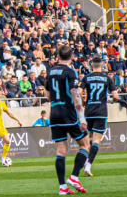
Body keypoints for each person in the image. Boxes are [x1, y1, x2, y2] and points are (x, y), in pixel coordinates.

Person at [48, 45, 90, 195]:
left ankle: (62, 187)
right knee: (85, 144)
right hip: (68, 114)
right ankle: (73, 177)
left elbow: (48, 96)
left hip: (54, 113)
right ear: (72, 57)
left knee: (61, 151)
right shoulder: (71, 72)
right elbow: (75, 95)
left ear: (58, 55)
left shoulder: (51, 71)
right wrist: (82, 118)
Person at [80, 55, 118, 177]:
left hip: (89, 111)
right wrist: (111, 101)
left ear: (91, 65)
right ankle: (88, 165)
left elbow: (77, 93)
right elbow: (116, 97)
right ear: (102, 65)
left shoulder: (86, 77)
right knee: (96, 140)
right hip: (101, 112)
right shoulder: (107, 78)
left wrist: (82, 102)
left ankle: (85, 161)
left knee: (90, 139)